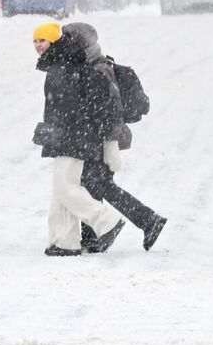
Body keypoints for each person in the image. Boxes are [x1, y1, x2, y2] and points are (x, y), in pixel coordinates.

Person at [62, 23, 166, 253]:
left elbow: (108, 111)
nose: (65, 46)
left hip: (102, 139)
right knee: (92, 185)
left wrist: (107, 141)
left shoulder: (96, 71)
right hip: (96, 137)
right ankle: (94, 237)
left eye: (69, 42)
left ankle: (148, 220)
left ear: (81, 45)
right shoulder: (94, 65)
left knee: (97, 184)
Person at [34, 22, 127, 257]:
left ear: (54, 41)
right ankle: (64, 242)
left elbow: (81, 102)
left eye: (42, 41)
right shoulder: (60, 61)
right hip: (66, 133)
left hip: (74, 134)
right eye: (35, 42)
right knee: (62, 189)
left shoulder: (66, 61)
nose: (38, 46)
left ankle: (106, 221)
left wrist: (107, 140)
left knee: (65, 186)